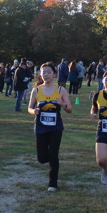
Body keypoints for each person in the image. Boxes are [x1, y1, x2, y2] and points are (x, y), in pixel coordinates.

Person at [27, 62, 73, 191]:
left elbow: (69, 109)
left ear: (54, 74)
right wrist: (34, 111)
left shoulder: (60, 90)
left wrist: (62, 104)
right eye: (44, 72)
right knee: (42, 158)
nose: (46, 74)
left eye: (49, 72)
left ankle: (52, 183)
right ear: (40, 74)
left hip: (55, 128)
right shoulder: (36, 90)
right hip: (41, 127)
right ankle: (46, 158)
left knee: (53, 155)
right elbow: (29, 108)